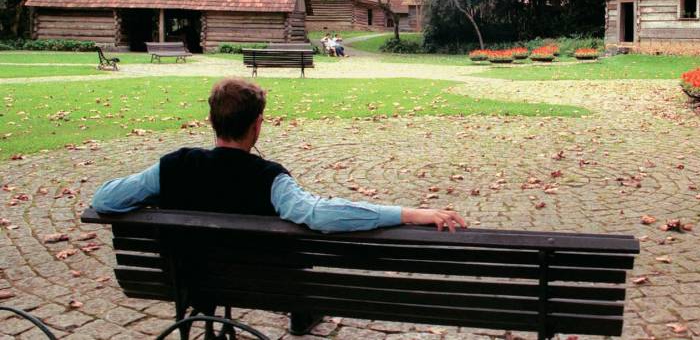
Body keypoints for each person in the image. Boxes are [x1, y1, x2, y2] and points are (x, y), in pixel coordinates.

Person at [92, 78, 467, 332]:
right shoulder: (270, 179)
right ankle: (301, 313)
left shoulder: (172, 167)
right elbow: (319, 214)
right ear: (257, 125)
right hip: (261, 284)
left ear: (211, 120)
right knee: (293, 254)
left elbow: (105, 200)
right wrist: (408, 213)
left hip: (188, 277)